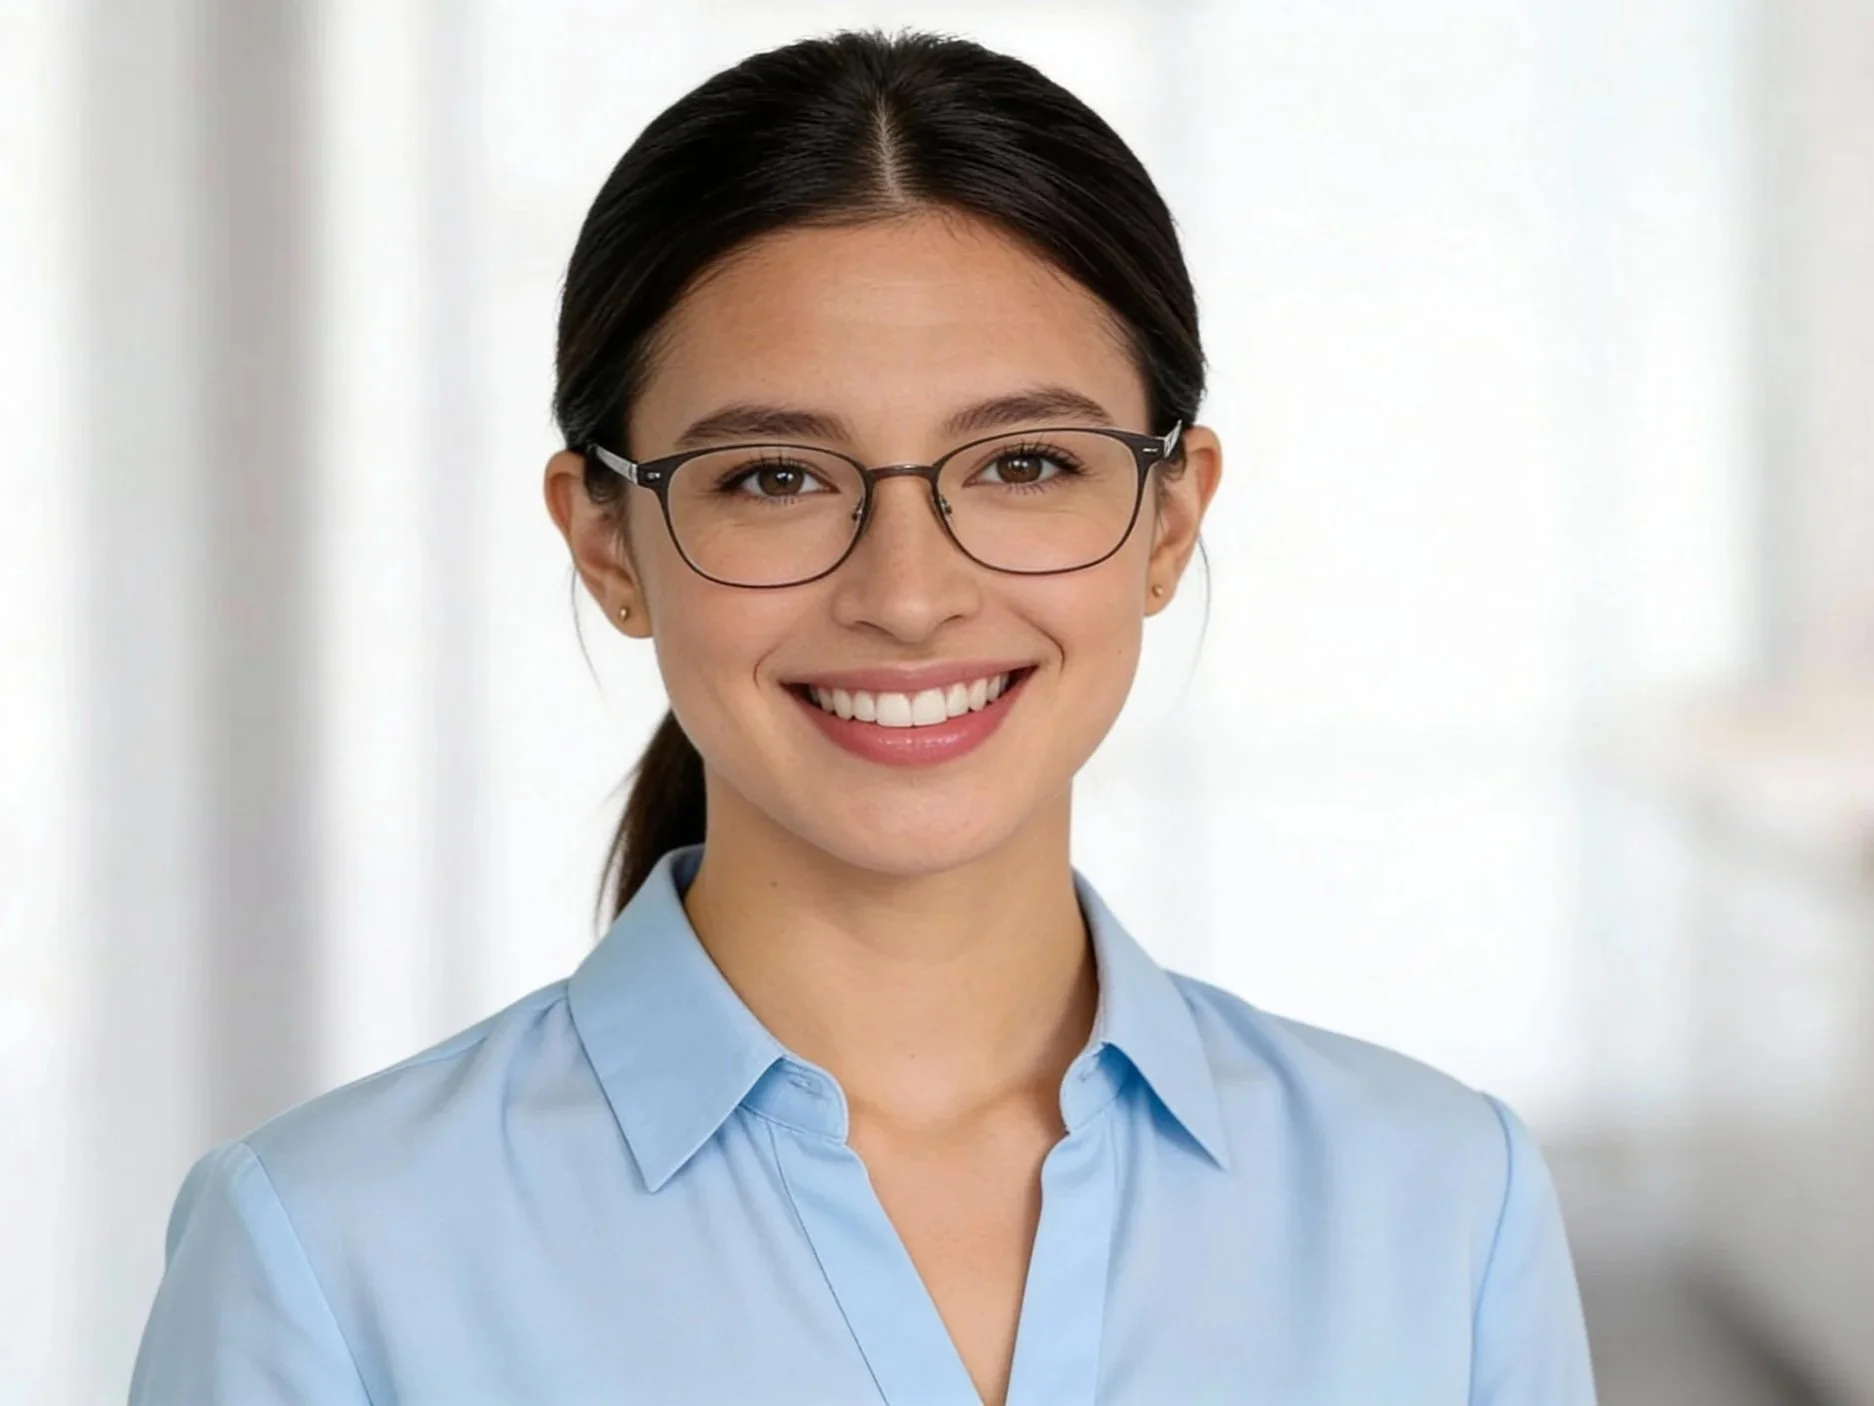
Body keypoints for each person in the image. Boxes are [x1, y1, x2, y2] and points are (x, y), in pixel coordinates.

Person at [128, 28, 1597, 1406]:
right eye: (774, 474)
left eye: (1023, 463)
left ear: (1167, 520)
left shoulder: (1439, 1203)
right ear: (604, 545)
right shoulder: (329, 1250)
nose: (908, 593)